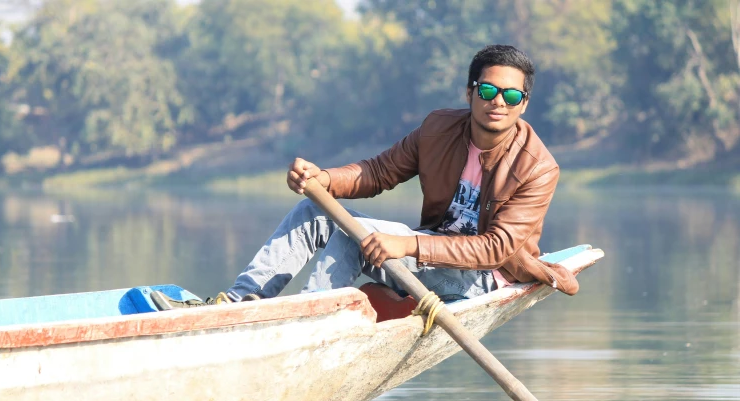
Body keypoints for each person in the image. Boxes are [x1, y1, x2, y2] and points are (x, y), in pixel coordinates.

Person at [151, 44, 578, 312]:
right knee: (314, 209)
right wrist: (323, 179)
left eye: (511, 95)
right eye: (487, 91)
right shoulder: (438, 129)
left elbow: (495, 248)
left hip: (482, 278)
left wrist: (406, 243)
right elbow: (378, 172)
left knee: (349, 236)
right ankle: (242, 301)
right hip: (421, 255)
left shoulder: (538, 167)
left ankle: (307, 321)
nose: (497, 102)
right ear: (469, 93)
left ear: (524, 104)